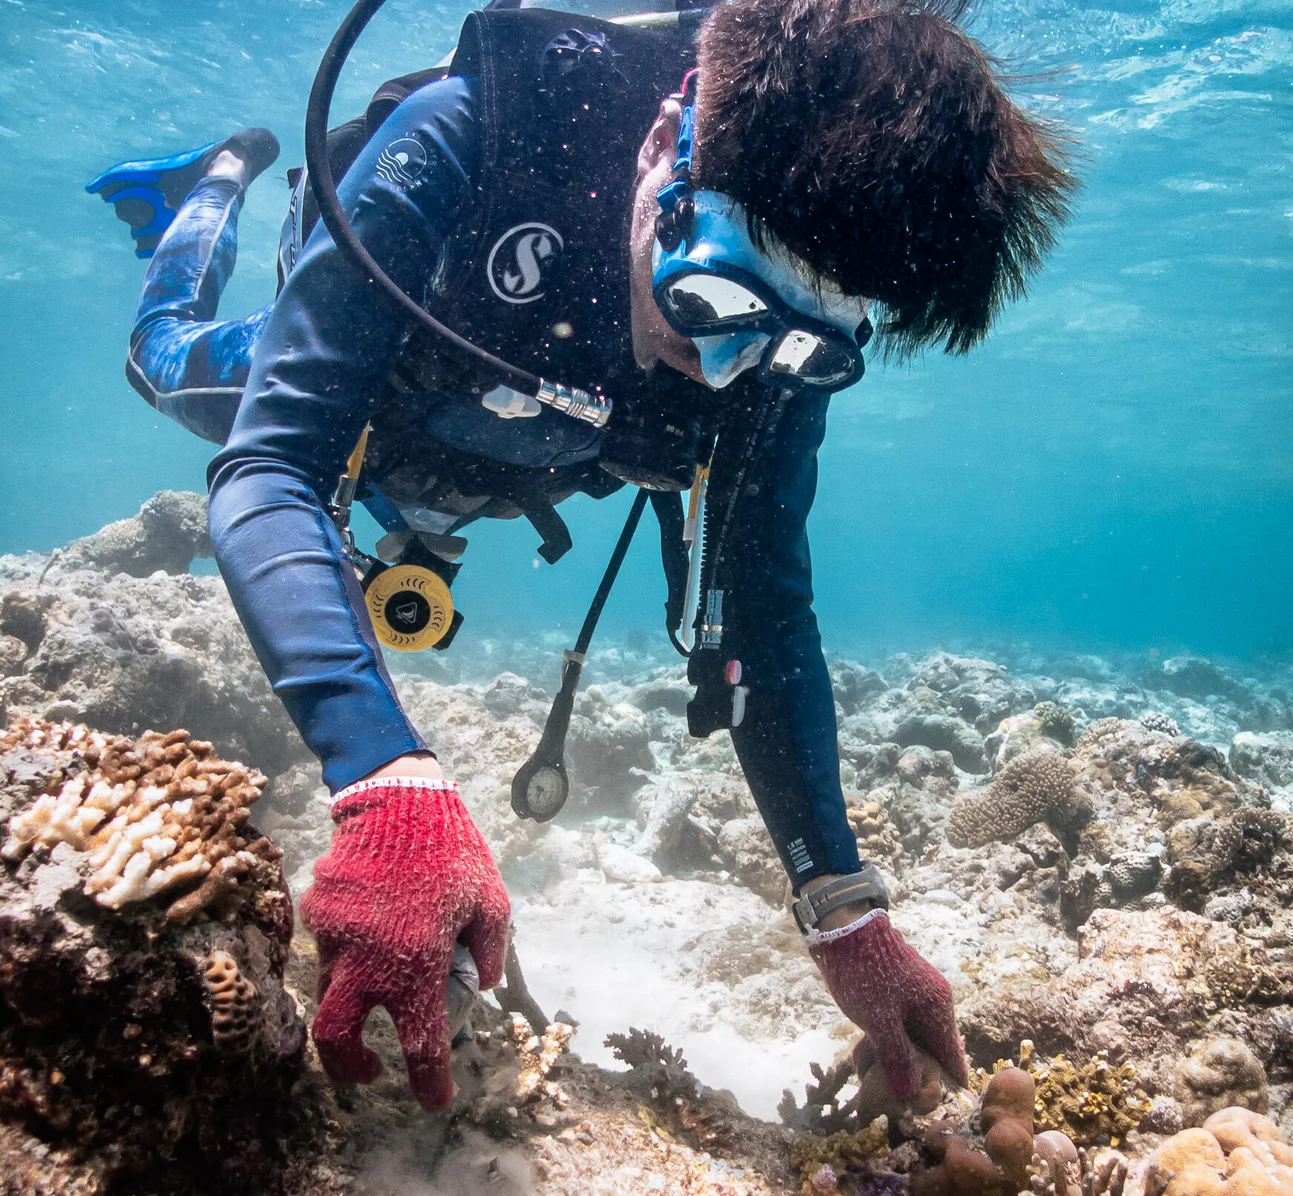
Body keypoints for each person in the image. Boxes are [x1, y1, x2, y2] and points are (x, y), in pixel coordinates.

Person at [89, 0, 1072, 1111]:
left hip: (519, 454)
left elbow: (762, 607)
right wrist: (384, 780)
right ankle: (210, 185)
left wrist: (845, 908)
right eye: (715, 297)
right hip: (388, 384)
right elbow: (274, 467)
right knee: (158, 358)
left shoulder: (778, 328)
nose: (724, 366)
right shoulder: (473, 129)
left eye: (798, 347)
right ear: (661, 149)